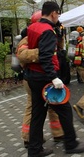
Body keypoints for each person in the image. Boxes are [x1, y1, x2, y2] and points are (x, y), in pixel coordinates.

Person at [26, 1, 84, 156]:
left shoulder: (32, 28)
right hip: (45, 77)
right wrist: (54, 78)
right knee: (65, 110)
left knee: (37, 114)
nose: (58, 16)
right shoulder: (47, 31)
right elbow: (46, 57)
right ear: (53, 13)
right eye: (58, 14)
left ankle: (34, 150)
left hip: (33, 76)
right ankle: (71, 144)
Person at [17, 11, 64, 149]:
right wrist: (44, 51)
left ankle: (58, 133)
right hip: (33, 78)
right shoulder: (26, 39)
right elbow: (23, 55)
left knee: (53, 103)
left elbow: (58, 51)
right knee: (33, 107)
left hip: (47, 75)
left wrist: (60, 38)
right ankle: (28, 137)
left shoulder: (49, 34)